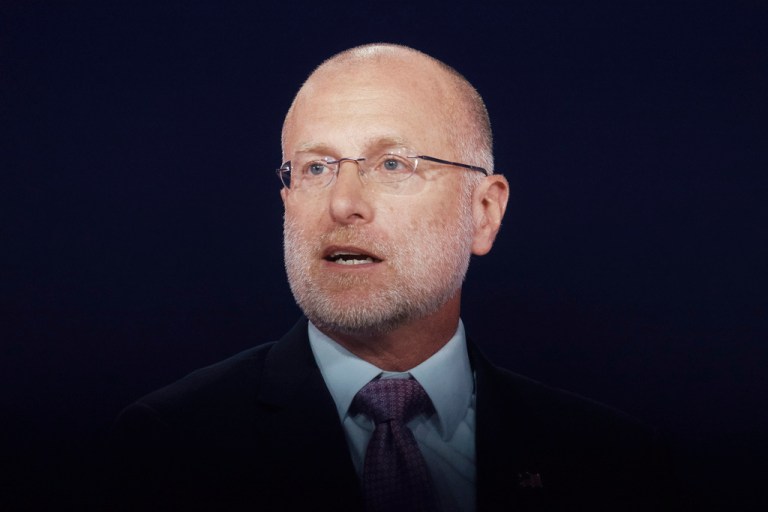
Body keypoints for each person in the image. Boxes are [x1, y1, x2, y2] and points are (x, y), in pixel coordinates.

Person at [109, 44, 672, 511]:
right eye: (316, 168)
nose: (344, 203)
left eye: (393, 164)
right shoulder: (170, 446)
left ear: (483, 212)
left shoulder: (610, 460)